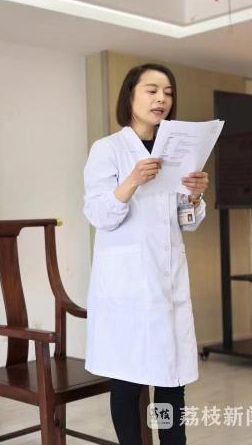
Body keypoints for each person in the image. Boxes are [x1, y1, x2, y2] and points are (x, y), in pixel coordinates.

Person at [83, 63, 209, 445]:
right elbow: (98, 214)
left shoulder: (177, 152)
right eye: (151, 90)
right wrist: (132, 181)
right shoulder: (108, 149)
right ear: (130, 96)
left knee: (171, 382)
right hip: (127, 289)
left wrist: (194, 195)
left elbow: (185, 222)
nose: (161, 99)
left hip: (167, 284)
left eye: (167, 93)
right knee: (127, 384)